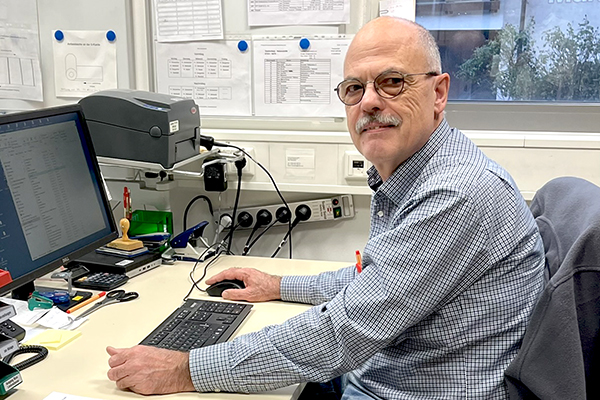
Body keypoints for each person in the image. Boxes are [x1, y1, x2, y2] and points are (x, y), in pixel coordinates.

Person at [107, 16, 545, 399]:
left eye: (392, 82)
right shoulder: (418, 173)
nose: (370, 102)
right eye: (355, 88)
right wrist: (279, 284)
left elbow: (342, 333)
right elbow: (373, 281)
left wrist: (184, 370)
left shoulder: (455, 194)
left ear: (439, 92)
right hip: (384, 377)